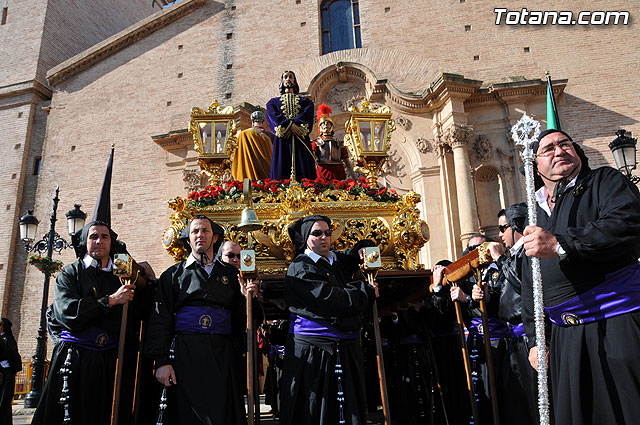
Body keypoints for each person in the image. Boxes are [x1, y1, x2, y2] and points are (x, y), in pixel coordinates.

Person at [521, 129, 640, 424]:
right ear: (536, 165)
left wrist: (562, 244)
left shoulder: (605, 182)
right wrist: (536, 340)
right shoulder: (533, 213)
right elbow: (530, 281)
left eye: (565, 144)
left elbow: (626, 224)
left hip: (615, 320)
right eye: (548, 149)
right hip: (565, 338)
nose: (559, 150)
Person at [32, 221, 150, 425]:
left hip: (112, 360)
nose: (99, 241)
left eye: (105, 237)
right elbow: (68, 312)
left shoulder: (121, 269)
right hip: (77, 357)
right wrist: (111, 301)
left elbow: (138, 311)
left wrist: (147, 280)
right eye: (93, 236)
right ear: (85, 241)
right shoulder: (71, 273)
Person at [145, 216, 258, 425]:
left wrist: (248, 298)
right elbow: (160, 319)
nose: (200, 235)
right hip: (184, 355)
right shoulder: (172, 275)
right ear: (188, 239)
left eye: (205, 231)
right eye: (195, 231)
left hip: (222, 355)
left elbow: (245, 321)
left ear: (214, 238)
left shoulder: (233, 275)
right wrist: (162, 361)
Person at [279, 215, 378, 425]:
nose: (324, 237)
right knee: (317, 409)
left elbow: (352, 256)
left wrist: (364, 248)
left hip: (346, 346)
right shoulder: (301, 267)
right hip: (315, 352)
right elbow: (330, 299)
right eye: (317, 233)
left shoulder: (336, 259)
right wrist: (364, 291)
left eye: (327, 233)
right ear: (306, 237)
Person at [266, 70, 317, 181]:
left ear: (294, 80)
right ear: (282, 81)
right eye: (285, 77)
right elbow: (273, 115)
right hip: (283, 139)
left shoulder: (305, 102)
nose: (288, 79)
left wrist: (295, 125)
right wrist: (289, 125)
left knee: (303, 165)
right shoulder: (273, 102)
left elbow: (306, 114)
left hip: (300, 138)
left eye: (290, 77)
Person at [311, 103, 353, 181]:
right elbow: (310, 162)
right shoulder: (316, 143)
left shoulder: (339, 143)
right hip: (322, 171)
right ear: (320, 127)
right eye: (323, 123)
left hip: (338, 172)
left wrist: (356, 179)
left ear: (331, 126)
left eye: (328, 123)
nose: (326, 125)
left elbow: (347, 163)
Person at [232, 110, 274, 181]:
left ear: (252, 120)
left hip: (249, 178)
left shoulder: (244, 134)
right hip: (268, 177)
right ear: (263, 121)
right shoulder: (271, 136)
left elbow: (238, 157)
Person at [0, 318, 21, 425]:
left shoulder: (6, 339)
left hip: (5, 374)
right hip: (6, 373)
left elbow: (12, 356)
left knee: (4, 402)